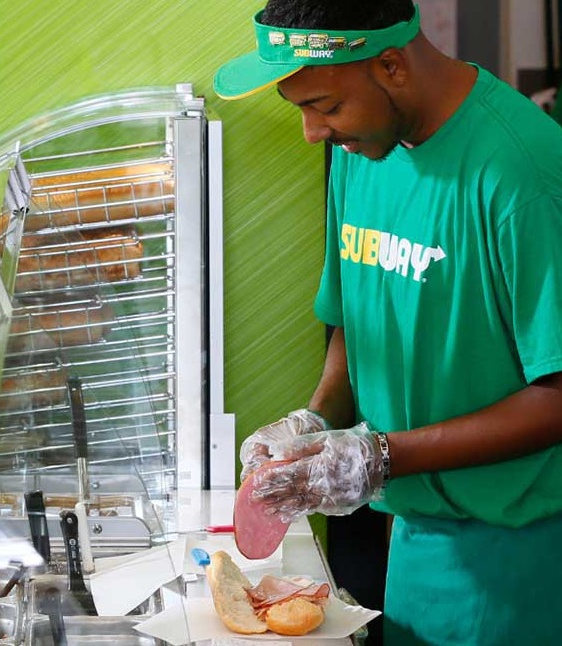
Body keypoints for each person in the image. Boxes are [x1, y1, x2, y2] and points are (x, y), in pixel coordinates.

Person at [215, 1, 562, 643]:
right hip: (411, 539)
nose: (312, 133)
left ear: (392, 65)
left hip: (514, 558)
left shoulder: (523, 175)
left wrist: (378, 455)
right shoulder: (363, 147)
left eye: (325, 106)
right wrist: (317, 418)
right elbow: (355, 315)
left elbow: (557, 398)